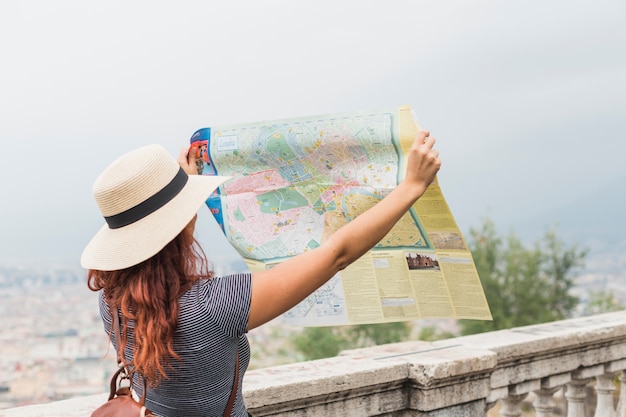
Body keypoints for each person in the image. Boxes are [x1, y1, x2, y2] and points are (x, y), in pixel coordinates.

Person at [81, 130, 441, 417]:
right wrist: (411, 186)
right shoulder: (213, 307)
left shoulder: (112, 301)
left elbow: (161, 247)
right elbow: (337, 254)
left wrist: (180, 194)